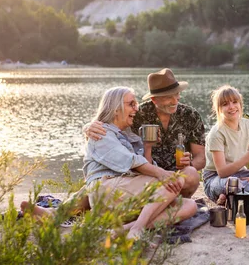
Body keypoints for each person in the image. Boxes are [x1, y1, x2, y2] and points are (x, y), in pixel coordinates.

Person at [22, 86, 197, 240]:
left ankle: (125, 229)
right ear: (115, 110)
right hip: (108, 193)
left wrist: (147, 147)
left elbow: (141, 166)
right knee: (174, 180)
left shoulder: (129, 134)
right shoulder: (101, 132)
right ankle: (137, 227)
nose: (136, 109)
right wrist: (163, 174)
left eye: (136, 104)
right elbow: (130, 161)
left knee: (190, 205)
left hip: (126, 195)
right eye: (131, 104)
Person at [86, 68, 204, 197]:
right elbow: (113, 127)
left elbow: (201, 157)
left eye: (177, 94)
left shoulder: (190, 115)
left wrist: (189, 163)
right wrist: (88, 127)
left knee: (192, 174)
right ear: (154, 99)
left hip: (176, 176)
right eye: (168, 97)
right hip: (144, 176)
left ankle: (171, 201)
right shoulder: (137, 114)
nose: (175, 101)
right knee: (94, 189)